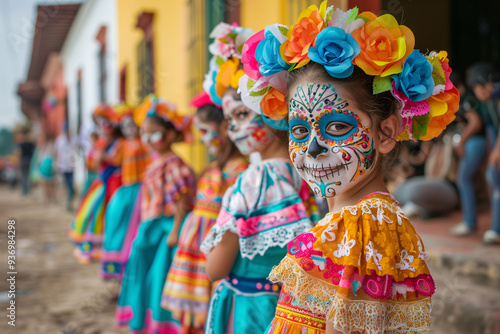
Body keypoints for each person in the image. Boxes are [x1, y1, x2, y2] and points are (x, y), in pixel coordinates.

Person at [239, 2, 459, 333]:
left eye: (337, 127)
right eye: (300, 130)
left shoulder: (358, 228)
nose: (312, 149)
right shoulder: (373, 221)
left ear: (384, 133)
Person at [199, 22, 318, 334]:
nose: (233, 130)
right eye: (228, 120)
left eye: (241, 115)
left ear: (272, 111)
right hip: (292, 307)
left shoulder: (253, 181)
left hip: (250, 308)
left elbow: (216, 268)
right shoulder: (310, 170)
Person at [161, 91, 248, 334]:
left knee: (208, 305)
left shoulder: (237, 170)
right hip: (196, 244)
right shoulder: (215, 167)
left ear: (224, 127)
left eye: (204, 130)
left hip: (213, 244)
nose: (202, 138)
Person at [115, 95, 195, 334]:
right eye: (145, 134)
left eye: (155, 133)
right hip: (150, 228)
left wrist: (175, 230)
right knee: (144, 274)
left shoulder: (174, 164)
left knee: (160, 276)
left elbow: (182, 200)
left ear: (171, 135)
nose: (148, 139)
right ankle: (145, 318)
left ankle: (162, 323)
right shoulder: (155, 163)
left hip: (166, 229)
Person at [450, 62, 500, 244]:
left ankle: (489, 227)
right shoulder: (486, 102)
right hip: (490, 142)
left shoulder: (496, 92)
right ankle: (493, 228)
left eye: (479, 86)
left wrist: (496, 150)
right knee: (493, 178)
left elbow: (479, 123)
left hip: (482, 144)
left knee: (493, 178)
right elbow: (491, 128)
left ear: (488, 82)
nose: (478, 91)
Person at [68, 105, 124, 264]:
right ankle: (92, 248)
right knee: (93, 213)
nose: (104, 126)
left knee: (111, 214)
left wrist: (103, 152)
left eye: (107, 122)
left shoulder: (121, 143)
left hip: (116, 182)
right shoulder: (102, 142)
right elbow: (93, 164)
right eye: (100, 123)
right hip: (102, 181)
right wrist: (100, 150)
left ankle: (110, 247)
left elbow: (118, 160)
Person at [100, 104, 151, 280]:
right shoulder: (122, 144)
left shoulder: (145, 143)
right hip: (126, 191)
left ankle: (132, 273)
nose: (129, 129)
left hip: (141, 190)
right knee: (118, 227)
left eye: (131, 125)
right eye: (125, 126)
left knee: (134, 231)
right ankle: (120, 274)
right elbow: (112, 158)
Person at [54, 123, 78, 211]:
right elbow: (56, 153)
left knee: (71, 185)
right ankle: (67, 202)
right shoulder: (59, 140)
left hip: (71, 166)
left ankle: (70, 202)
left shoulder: (73, 140)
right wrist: (56, 165)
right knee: (65, 185)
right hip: (62, 166)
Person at [38, 133, 57, 203]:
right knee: (51, 183)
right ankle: (51, 197)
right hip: (49, 164)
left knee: (47, 183)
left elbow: (40, 156)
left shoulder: (44, 146)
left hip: (46, 164)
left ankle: (48, 197)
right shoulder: (51, 145)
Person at [17, 126, 35, 195]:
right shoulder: (31, 144)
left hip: (23, 161)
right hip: (29, 161)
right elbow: (33, 153)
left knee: (23, 176)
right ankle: (27, 190)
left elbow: (20, 153)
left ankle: (25, 190)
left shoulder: (22, 144)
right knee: (27, 176)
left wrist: (19, 161)